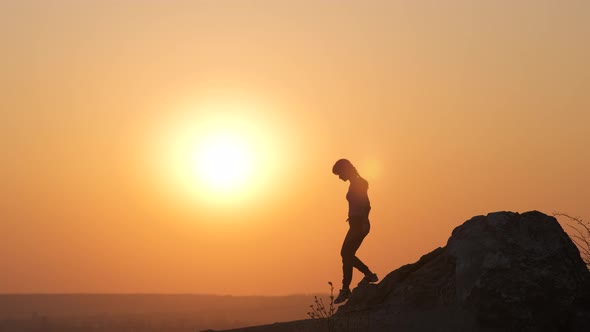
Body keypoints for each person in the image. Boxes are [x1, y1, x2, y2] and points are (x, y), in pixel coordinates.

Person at [332, 159, 378, 304]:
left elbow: (367, 204)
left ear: (345, 170)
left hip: (359, 225)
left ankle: (348, 288)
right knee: (347, 254)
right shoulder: (355, 183)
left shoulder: (358, 183)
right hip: (355, 223)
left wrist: (363, 220)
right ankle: (368, 275)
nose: (339, 177)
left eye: (339, 173)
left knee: (346, 253)